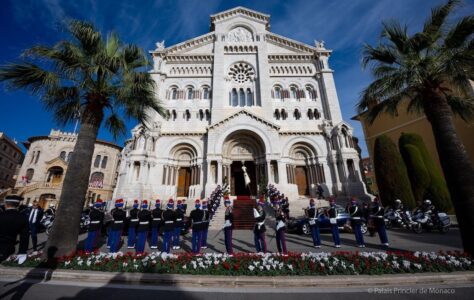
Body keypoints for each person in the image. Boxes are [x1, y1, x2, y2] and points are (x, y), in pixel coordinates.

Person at [0, 195, 29, 263]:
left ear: (6, 204)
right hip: (8, 248)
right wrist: (22, 252)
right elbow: (24, 236)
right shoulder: (22, 218)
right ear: (18, 205)